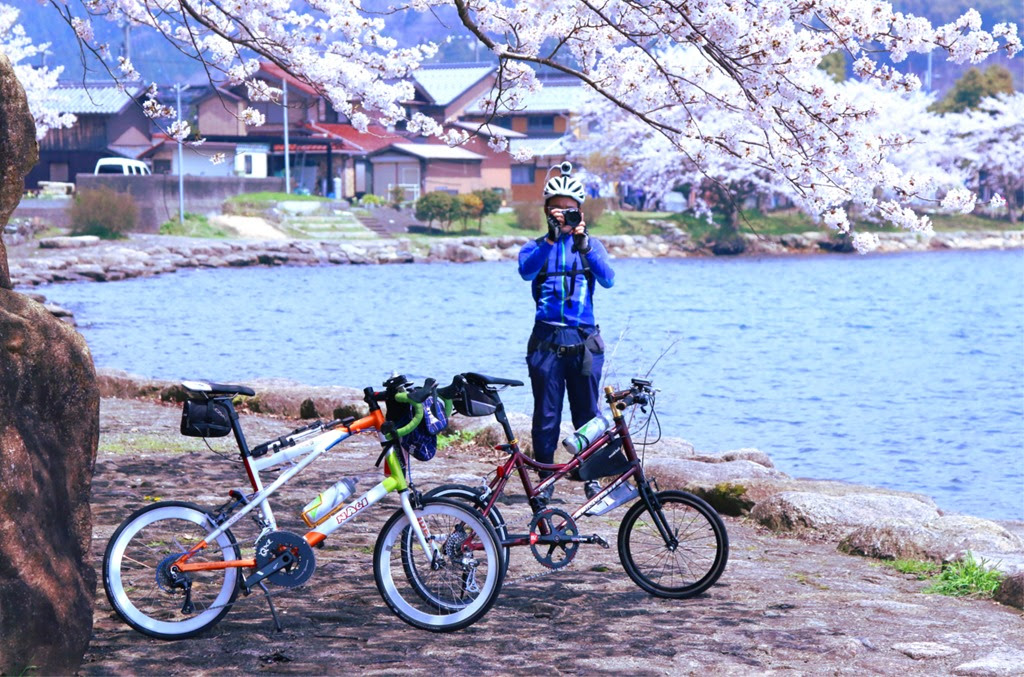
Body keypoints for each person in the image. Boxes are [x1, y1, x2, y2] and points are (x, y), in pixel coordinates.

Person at [518, 163, 615, 503]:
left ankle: (591, 477)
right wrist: (549, 239)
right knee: (546, 415)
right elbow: (525, 272)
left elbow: (608, 279)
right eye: (557, 209)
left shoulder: (591, 246)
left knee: (588, 412)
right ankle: (545, 479)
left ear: (580, 211)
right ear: (546, 211)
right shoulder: (535, 247)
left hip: (584, 341)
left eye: (570, 209)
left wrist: (585, 246)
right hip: (546, 342)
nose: (563, 215)